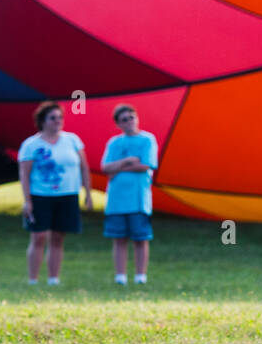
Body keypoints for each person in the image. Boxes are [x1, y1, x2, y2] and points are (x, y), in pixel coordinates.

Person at [18, 101, 92, 285]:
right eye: (53, 118)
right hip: (40, 195)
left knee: (58, 237)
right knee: (39, 236)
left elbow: (84, 168)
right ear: (42, 121)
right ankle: (33, 279)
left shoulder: (72, 140)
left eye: (60, 117)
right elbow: (25, 174)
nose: (57, 121)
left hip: (67, 195)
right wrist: (27, 200)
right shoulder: (31, 145)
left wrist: (88, 193)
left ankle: (53, 278)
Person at [100, 104, 158, 285]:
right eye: (124, 119)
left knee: (140, 238)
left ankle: (141, 276)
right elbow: (105, 168)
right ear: (118, 124)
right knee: (119, 238)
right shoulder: (114, 143)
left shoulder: (147, 140)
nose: (129, 122)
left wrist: (118, 168)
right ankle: (120, 276)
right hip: (117, 200)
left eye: (132, 117)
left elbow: (145, 165)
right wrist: (127, 161)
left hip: (138, 199)